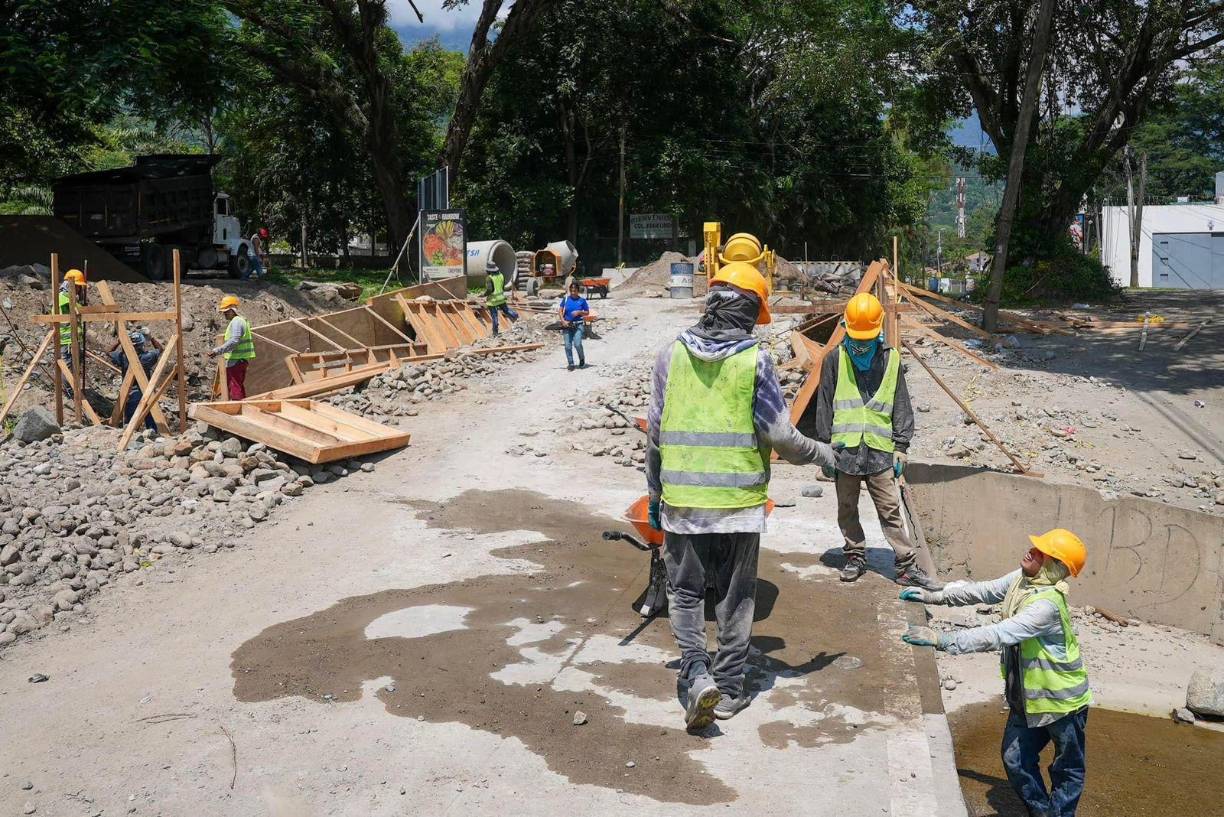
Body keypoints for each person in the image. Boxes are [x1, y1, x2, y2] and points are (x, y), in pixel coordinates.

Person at [646, 260, 837, 731]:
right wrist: (824, 455)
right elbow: (780, 435)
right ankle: (729, 688)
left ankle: (694, 672)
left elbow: (653, 432)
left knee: (685, 593)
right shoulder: (755, 360)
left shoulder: (671, 353)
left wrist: (655, 494)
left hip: (683, 503)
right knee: (735, 597)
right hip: (738, 506)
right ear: (751, 312)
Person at [901, 529, 1091, 817]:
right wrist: (934, 596)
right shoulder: (1021, 581)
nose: (1031, 551)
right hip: (1028, 700)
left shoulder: (1046, 606)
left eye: (1041, 553)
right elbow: (982, 590)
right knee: (1015, 760)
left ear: (1055, 567)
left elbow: (1000, 634)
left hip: (1064, 705)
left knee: (1066, 771)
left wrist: (944, 640)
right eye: (1034, 547)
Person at [814, 292, 940, 589]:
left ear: (878, 330)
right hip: (845, 450)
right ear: (846, 327)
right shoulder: (834, 359)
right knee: (847, 508)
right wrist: (824, 452)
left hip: (880, 451)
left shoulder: (891, 358)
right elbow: (825, 405)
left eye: (866, 338)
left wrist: (901, 446)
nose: (860, 344)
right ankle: (855, 556)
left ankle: (906, 566)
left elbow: (900, 403)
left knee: (890, 510)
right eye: (856, 337)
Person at [109, 329, 162, 431]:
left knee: (130, 425)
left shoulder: (123, 357)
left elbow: (109, 352)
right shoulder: (147, 357)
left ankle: (131, 439)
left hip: (130, 393)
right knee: (151, 421)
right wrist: (151, 338)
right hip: (146, 392)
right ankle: (152, 437)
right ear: (141, 344)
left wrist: (120, 341)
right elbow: (160, 349)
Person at [208, 295, 255, 399]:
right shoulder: (241, 320)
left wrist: (217, 351)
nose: (224, 314)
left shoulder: (237, 322)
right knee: (238, 386)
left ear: (232, 310)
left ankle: (236, 410)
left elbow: (234, 341)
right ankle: (241, 408)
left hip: (236, 361)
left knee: (235, 388)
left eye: (226, 311)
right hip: (240, 360)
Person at [57, 269, 88, 398]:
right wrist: (81, 304)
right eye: (79, 287)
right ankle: (69, 391)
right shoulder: (63, 297)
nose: (80, 290)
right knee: (68, 367)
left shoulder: (69, 298)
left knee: (75, 365)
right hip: (68, 340)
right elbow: (75, 309)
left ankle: (72, 388)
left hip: (73, 339)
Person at [559, 281, 589, 370]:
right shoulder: (566, 299)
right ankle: (571, 363)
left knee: (577, 344)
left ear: (578, 291)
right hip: (567, 325)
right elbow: (560, 311)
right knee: (567, 345)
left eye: (575, 290)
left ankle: (582, 359)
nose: (573, 292)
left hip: (578, 325)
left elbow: (587, 312)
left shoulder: (582, 301)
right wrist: (563, 320)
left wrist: (579, 312)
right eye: (571, 290)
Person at [484, 261, 518, 336]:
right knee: (507, 310)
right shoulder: (501, 275)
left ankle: (495, 332)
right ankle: (516, 318)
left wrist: (483, 295)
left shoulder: (489, 278)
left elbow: (489, 290)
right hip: (501, 298)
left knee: (494, 316)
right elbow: (502, 287)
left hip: (493, 300)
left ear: (488, 270)